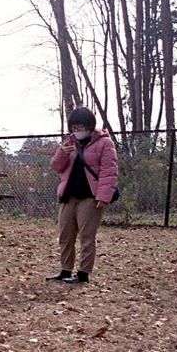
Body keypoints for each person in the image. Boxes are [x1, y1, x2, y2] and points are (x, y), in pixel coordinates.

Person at [46, 106, 119, 284]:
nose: (77, 131)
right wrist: (62, 152)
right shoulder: (68, 143)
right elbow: (56, 167)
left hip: (90, 197)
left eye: (81, 127)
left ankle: (83, 273)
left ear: (90, 125)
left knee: (87, 237)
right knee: (65, 236)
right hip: (68, 196)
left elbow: (109, 171)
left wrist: (103, 197)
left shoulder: (105, 143)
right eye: (74, 128)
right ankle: (65, 270)